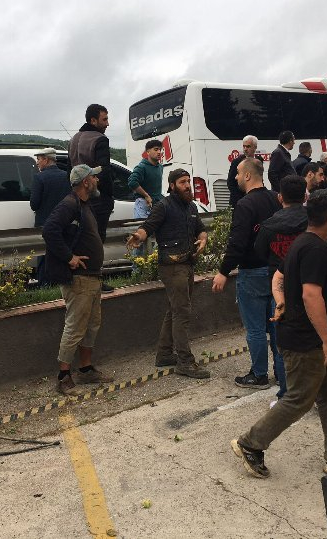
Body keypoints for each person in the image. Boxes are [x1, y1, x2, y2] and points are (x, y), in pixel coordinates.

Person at [231, 189, 327, 479]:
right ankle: (250, 444)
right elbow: (310, 295)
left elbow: (279, 276)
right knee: (299, 399)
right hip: (306, 342)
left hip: (306, 337)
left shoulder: (304, 243)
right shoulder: (315, 250)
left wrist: (280, 301)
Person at [127, 169, 210, 378]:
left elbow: (201, 229)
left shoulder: (191, 206)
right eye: (182, 182)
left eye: (188, 181)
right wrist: (138, 236)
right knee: (182, 312)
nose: (187, 185)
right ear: (172, 186)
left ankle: (164, 355)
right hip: (172, 267)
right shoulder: (163, 206)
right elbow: (148, 227)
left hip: (187, 264)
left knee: (175, 310)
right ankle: (185, 362)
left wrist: (203, 239)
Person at [42, 164, 115, 395]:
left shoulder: (83, 204)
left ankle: (85, 369)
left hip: (91, 277)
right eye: (94, 177)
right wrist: (69, 257)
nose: (97, 180)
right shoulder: (69, 204)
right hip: (79, 279)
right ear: (86, 182)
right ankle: (63, 377)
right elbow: (49, 230)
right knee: (75, 327)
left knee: (91, 326)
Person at [212, 158, 281, 389]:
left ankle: (259, 375)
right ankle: (282, 372)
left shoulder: (244, 204)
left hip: (252, 273)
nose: (235, 177)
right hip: (276, 272)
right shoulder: (276, 198)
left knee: (256, 329)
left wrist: (223, 271)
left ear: (248, 175)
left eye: (239, 173)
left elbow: (237, 243)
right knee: (276, 325)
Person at [253, 174, 308, 403]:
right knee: (315, 339)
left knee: (284, 343)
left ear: (280, 197)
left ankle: (287, 393)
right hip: (312, 283)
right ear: (305, 196)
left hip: (281, 289)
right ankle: (316, 391)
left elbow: (259, 252)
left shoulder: (268, 225)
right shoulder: (314, 220)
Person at [69, 104, 114, 293]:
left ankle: (80, 279)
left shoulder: (73, 139)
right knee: (96, 240)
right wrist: (108, 196)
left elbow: (71, 169)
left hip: (79, 195)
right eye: (104, 119)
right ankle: (96, 279)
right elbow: (104, 171)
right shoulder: (100, 139)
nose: (108, 123)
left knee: (82, 239)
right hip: (97, 197)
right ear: (93, 120)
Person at [30, 148, 70, 227]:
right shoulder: (67, 176)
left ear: (46, 160)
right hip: (64, 223)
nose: (37, 163)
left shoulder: (39, 177)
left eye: (38, 159)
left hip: (45, 224)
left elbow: (34, 205)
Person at [128, 139, 165, 220]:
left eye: (160, 149)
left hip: (156, 205)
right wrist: (146, 195)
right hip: (143, 203)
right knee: (143, 227)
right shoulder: (141, 167)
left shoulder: (160, 167)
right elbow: (132, 182)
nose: (159, 152)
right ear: (148, 152)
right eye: (156, 149)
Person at [227, 135, 258, 208]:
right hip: (239, 201)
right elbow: (230, 183)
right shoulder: (236, 162)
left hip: (254, 200)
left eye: (248, 146)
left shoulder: (258, 161)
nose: (245, 149)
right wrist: (241, 199)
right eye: (244, 146)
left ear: (255, 147)